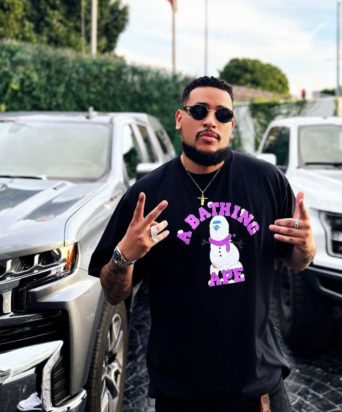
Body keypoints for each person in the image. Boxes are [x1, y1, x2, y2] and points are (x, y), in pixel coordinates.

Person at [89, 76, 316, 412]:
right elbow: (113, 293)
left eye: (222, 114)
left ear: (231, 126)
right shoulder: (147, 195)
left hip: (258, 386)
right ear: (180, 118)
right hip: (180, 391)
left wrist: (307, 246)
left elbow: (297, 260)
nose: (211, 120)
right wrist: (124, 256)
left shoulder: (267, 182)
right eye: (199, 111)